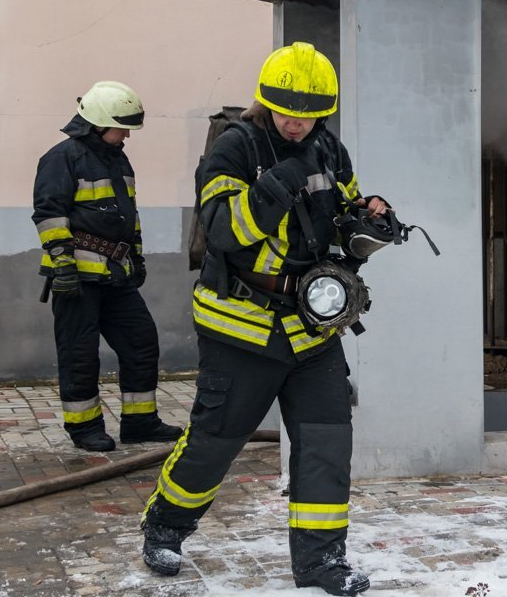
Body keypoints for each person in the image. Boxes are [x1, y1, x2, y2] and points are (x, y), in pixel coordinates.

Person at [139, 42, 388, 596]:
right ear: (265, 102)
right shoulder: (234, 147)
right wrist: (281, 180)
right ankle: (165, 526)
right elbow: (224, 231)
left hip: (311, 328)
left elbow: (342, 218)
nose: (297, 125)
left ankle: (322, 562)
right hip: (239, 325)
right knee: (217, 439)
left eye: (309, 116)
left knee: (327, 441)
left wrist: (372, 217)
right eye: (286, 112)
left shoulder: (330, 151)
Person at [32, 81, 183, 452]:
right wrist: (63, 266)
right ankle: (84, 429)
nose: (127, 134)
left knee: (141, 342)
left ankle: (140, 422)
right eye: (122, 127)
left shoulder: (118, 160)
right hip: (78, 279)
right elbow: (49, 214)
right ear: (98, 124)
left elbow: (129, 216)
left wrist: (137, 257)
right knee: (79, 355)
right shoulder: (61, 158)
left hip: (117, 277)